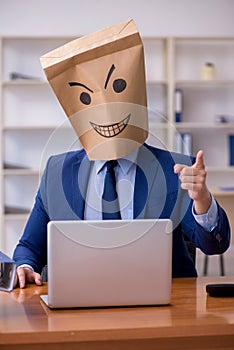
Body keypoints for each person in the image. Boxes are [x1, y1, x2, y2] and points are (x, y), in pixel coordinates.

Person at [13, 20, 230, 288]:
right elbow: (28, 248)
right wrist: (24, 267)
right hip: (77, 302)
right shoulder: (57, 172)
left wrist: (203, 200)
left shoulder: (175, 169)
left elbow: (214, 245)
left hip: (161, 307)